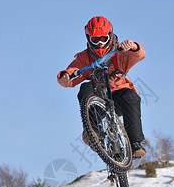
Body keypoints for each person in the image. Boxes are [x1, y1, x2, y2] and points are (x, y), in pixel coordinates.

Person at [57, 16, 146, 159]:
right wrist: (66, 76)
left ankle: (135, 142)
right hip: (98, 97)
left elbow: (139, 55)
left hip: (119, 95)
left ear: (110, 36)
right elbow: (72, 72)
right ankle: (92, 132)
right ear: (88, 39)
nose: (99, 44)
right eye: (95, 40)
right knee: (85, 88)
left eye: (103, 39)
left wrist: (133, 46)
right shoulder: (84, 57)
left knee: (130, 96)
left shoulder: (120, 52)